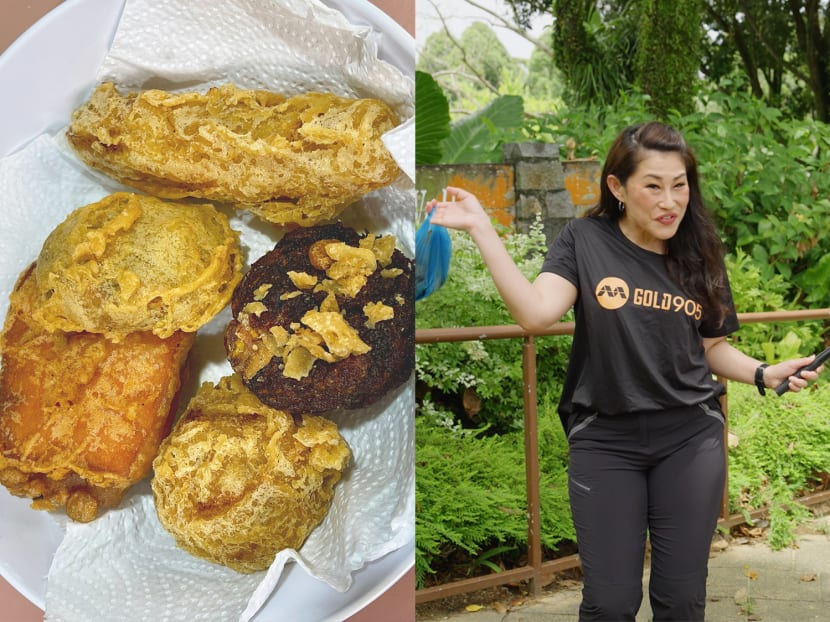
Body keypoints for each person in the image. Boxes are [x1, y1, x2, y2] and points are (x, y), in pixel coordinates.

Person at [425, 121, 825, 622]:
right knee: (610, 603)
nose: (670, 202)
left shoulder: (700, 251)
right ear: (617, 187)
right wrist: (483, 230)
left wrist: (764, 372)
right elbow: (535, 314)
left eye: (679, 185)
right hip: (606, 440)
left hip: (690, 438)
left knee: (681, 601)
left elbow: (709, 348)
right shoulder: (585, 240)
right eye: (653, 186)